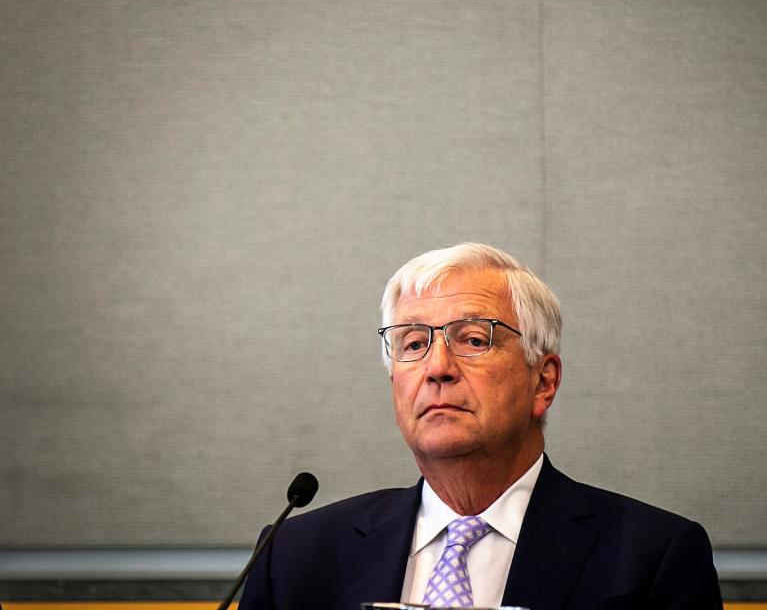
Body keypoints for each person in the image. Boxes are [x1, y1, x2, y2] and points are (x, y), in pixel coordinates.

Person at [238, 243, 723, 610]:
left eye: (473, 339)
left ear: (543, 381)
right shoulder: (293, 557)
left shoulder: (651, 559)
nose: (437, 367)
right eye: (412, 344)